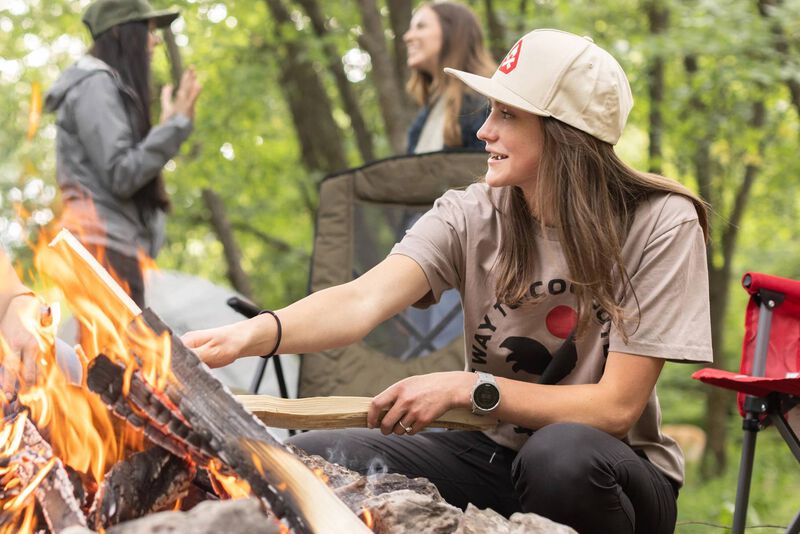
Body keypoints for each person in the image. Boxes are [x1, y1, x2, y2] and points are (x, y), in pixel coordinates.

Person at [183, 29, 713, 534]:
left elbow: (615, 408)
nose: (485, 130)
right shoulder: (471, 213)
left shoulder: (661, 222)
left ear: (564, 134)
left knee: (559, 458)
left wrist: (469, 387)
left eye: (507, 114)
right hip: (491, 452)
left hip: (611, 475)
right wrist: (248, 337)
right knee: (305, 458)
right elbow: (362, 299)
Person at [44, 0, 201, 307]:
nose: (154, 40)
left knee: (111, 355)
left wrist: (166, 128)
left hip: (109, 251)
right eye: (148, 30)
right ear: (120, 33)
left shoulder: (101, 84)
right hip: (105, 251)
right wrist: (176, 128)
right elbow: (122, 173)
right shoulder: (94, 84)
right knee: (120, 356)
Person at [404, 2, 495, 153]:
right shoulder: (425, 116)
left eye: (420, 26)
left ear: (452, 32)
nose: (407, 37)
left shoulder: (487, 106)